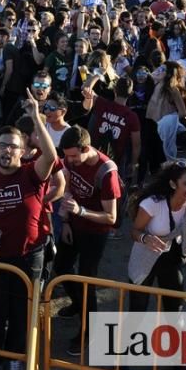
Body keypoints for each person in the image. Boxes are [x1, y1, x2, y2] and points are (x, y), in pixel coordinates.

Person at [0, 88, 56, 370]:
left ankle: (15, 358)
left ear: (22, 151)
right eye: (2, 145)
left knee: (22, 312)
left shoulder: (33, 174)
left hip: (28, 255)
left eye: (13, 146)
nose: (7, 150)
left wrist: (36, 116)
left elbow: (52, 155)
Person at [126, 160, 186, 370]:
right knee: (137, 311)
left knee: (175, 314)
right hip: (145, 256)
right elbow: (135, 231)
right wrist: (147, 238)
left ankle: (179, 364)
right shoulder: (152, 203)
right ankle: (122, 358)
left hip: (172, 259)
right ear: (173, 184)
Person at [52, 126, 122, 357]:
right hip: (74, 225)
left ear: (86, 148)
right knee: (61, 268)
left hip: (95, 232)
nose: (68, 160)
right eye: (66, 155)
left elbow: (111, 217)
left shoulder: (106, 171)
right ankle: (77, 304)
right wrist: (67, 221)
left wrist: (80, 211)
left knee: (86, 280)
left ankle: (89, 330)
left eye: (73, 156)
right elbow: (69, 185)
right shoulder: (71, 160)